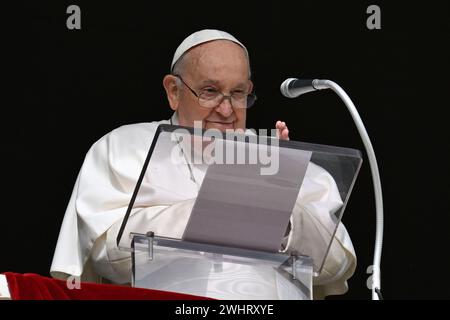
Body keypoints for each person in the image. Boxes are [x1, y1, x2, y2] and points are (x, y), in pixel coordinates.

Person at [50, 29, 356, 299]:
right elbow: (105, 255)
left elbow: (338, 265)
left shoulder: (276, 155)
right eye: (210, 91)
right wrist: (217, 208)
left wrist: (281, 214)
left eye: (238, 93)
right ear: (173, 91)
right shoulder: (124, 147)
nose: (226, 109)